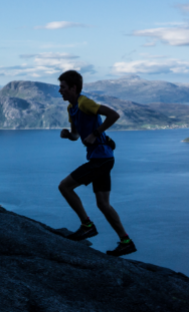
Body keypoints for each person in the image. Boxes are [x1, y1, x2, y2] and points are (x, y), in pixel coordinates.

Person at [57, 70, 136, 256]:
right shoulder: (72, 109)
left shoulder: (85, 103)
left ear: (73, 88)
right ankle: (126, 242)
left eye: (63, 88)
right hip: (102, 158)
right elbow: (77, 136)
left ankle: (87, 225)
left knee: (65, 187)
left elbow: (113, 115)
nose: (60, 91)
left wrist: (95, 133)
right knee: (103, 204)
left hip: (101, 159)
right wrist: (68, 135)